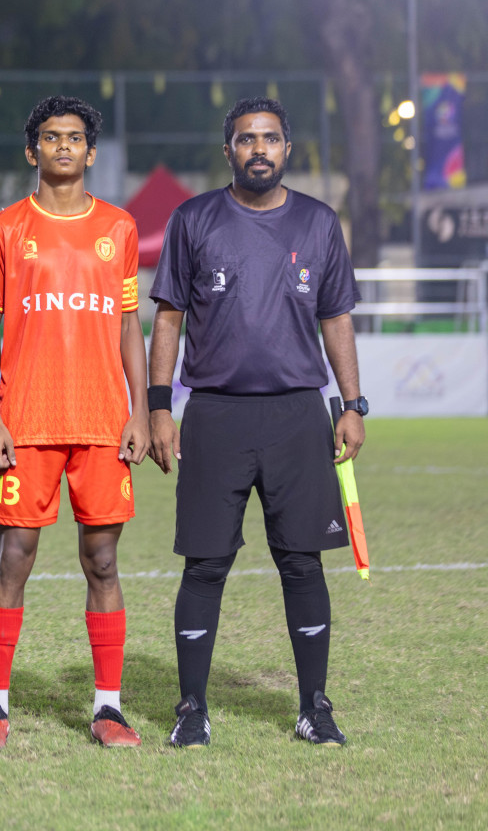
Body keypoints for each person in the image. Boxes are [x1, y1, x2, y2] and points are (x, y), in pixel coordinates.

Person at [148, 97, 364, 749]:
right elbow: (166, 320)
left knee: (302, 564)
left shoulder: (321, 224)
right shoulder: (193, 220)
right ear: (229, 151)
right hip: (214, 413)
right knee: (205, 565)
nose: (259, 149)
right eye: (246, 140)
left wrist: (352, 404)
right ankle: (192, 709)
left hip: (299, 413)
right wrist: (159, 406)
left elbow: (337, 321)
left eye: (270, 138)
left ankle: (314, 708)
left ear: (287, 148)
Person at [0, 96, 149, 751]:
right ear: (32, 150)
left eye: (75, 138)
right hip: (28, 422)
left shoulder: (120, 229)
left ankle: (108, 708)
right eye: (51, 137)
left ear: (91, 152)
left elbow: (131, 325)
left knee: (103, 559)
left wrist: (137, 411)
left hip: (103, 423)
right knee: (13, 557)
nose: (64, 147)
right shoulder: (5, 229)